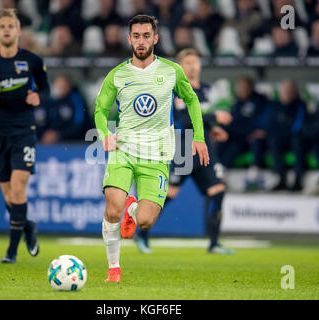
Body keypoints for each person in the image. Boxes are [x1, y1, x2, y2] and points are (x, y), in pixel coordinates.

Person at [94, 15, 209, 283]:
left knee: (146, 221)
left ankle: (134, 211)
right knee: (113, 207)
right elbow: (100, 108)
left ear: (155, 38)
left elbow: (191, 100)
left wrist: (199, 136)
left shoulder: (172, 71)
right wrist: (104, 135)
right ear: (129, 39)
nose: (142, 40)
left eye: (147, 35)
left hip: (157, 155)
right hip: (123, 150)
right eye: (137, 36)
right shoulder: (118, 75)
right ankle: (114, 269)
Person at [0, 9, 50, 263]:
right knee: (8, 196)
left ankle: (12, 252)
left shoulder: (33, 60)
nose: (6, 30)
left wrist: (39, 97)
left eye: (11, 26)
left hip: (24, 130)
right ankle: (27, 226)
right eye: (2, 26)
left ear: (18, 31)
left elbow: (46, 88)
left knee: (18, 188)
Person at [135, 48, 234, 255]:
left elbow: (199, 119)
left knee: (218, 191)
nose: (192, 66)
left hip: (205, 150)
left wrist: (212, 129)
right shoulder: (178, 88)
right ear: (180, 66)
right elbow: (185, 119)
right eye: (187, 62)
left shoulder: (205, 89)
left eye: (195, 61)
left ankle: (214, 243)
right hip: (184, 148)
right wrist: (215, 116)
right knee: (169, 195)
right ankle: (142, 234)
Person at [266, 80, 307, 191]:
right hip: (281, 138)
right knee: (274, 141)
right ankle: (281, 179)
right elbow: (271, 124)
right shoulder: (275, 106)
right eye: (285, 92)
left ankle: (298, 180)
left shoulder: (300, 105)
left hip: (295, 137)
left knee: (297, 142)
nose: (287, 94)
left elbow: (298, 126)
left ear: (295, 93)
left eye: (290, 91)